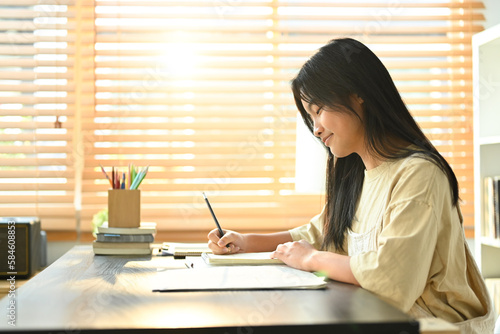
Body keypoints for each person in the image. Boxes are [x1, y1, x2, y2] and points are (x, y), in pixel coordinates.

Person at [207, 38, 496, 333]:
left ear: (358, 94)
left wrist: (311, 258)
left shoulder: (418, 174)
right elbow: (318, 233)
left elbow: (393, 281)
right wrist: (244, 242)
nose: (316, 128)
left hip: (429, 325)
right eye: (311, 116)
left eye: (319, 110)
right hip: (377, 315)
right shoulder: (356, 173)